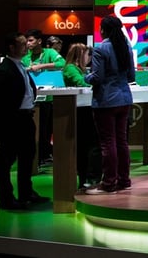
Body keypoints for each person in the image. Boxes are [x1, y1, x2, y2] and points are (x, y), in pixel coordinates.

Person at [0, 32, 49, 210]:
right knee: (6, 160)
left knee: (27, 156)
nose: (27, 47)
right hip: (12, 120)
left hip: (26, 117)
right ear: (12, 47)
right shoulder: (5, 69)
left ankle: (26, 193)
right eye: (23, 44)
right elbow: (1, 100)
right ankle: (6, 198)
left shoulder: (21, 66)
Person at [84, 15, 136, 194]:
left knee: (108, 143)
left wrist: (85, 76)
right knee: (122, 141)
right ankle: (124, 180)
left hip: (106, 100)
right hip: (124, 98)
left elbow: (97, 77)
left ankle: (108, 183)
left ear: (103, 29)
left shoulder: (100, 49)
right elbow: (131, 77)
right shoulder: (126, 47)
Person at [62, 43, 101, 189]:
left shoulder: (79, 69)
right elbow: (81, 83)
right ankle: (86, 178)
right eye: (87, 54)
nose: (89, 58)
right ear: (80, 55)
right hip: (79, 111)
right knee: (86, 145)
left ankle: (86, 177)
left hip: (84, 109)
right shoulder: (71, 69)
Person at [23, 28, 64, 165]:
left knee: (46, 129)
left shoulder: (49, 52)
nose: (28, 43)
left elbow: (62, 63)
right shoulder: (25, 56)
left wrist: (42, 65)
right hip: (30, 98)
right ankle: (35, 157)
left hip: (48, 98)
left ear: (39, 41)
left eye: (31, 40)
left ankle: (45, 155)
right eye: (26, 41)